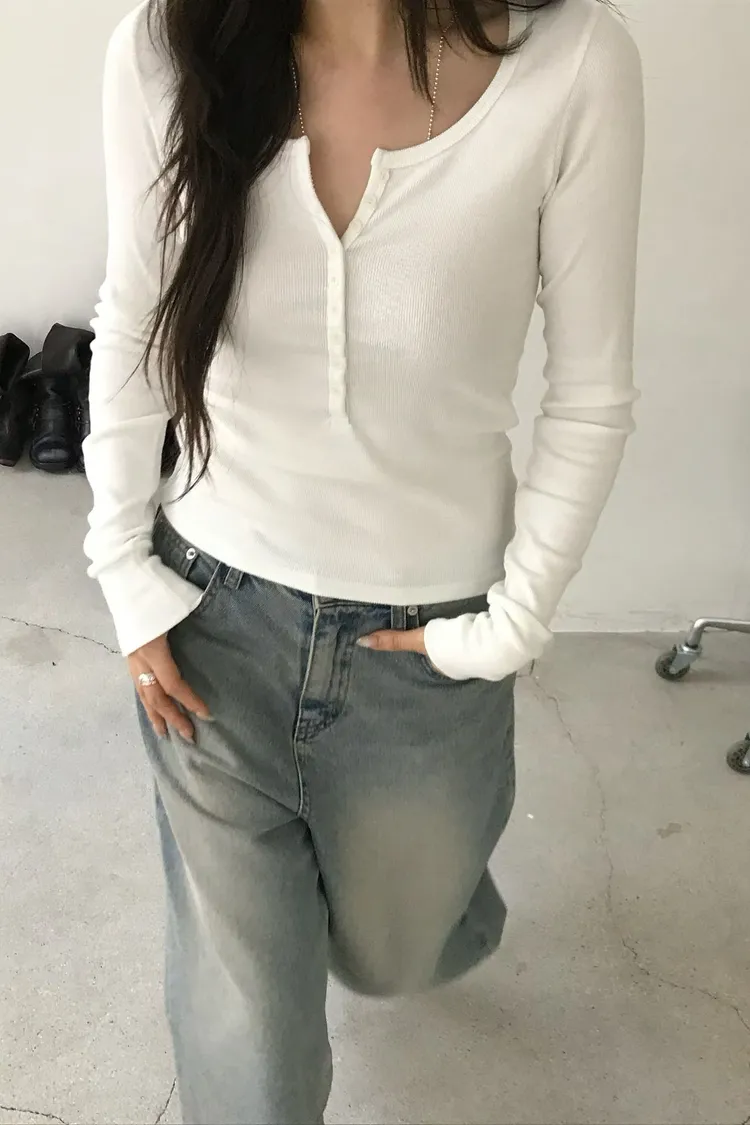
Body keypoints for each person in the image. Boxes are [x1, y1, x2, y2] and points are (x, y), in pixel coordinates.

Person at [84, 0, 644, 1120]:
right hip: (214, 613)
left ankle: (431, 909)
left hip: (425, 642)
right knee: (249, 1033)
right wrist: (124, 572)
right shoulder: (168, 45)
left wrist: (510, 625)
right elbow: (136, 316)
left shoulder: (574, 62)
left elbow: (590, 394)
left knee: (400, 953)